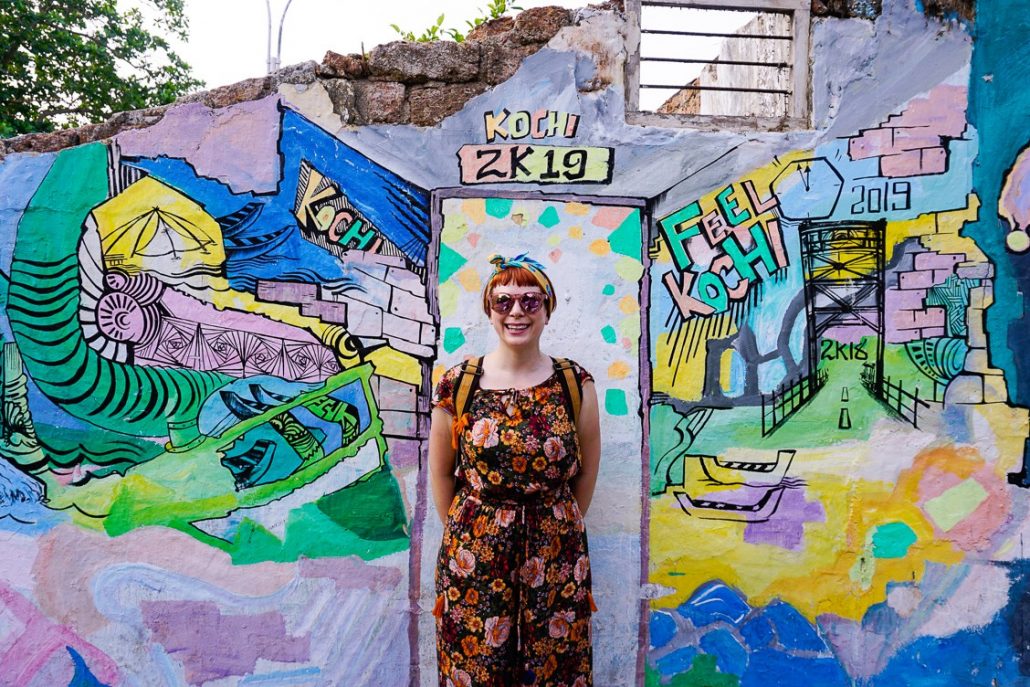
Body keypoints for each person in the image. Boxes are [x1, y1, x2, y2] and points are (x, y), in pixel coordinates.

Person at [430, 253, 601, 687]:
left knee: (554, 667)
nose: (517, 312)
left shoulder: (574, 383)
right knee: (477, 668)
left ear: (547, 308)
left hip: (557, 554)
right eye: (503, 302)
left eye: (530, 300)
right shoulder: (458, 384)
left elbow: (586, 471)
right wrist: (468, 536)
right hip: (475, 556)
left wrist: (555, 523)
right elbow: (440, 474)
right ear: (489, 310)